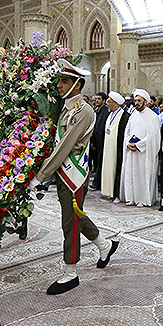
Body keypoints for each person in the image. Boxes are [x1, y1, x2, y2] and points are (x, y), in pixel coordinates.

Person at [27, 58, 119, 295]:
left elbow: (65, 146)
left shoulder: (84, 111)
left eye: (64, 81)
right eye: (59, 80)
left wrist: (40, 176)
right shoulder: (67, 107)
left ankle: (71, 273)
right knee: (73, 216)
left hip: (73, 174)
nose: (59, 85)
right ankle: (104, 245)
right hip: (63, 172)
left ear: (77, 85)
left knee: (70, 221)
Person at [120, 89, 161, 207]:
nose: (136, 103)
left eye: (139, 101)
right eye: (135, 100)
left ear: (146, 102)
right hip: (131, 151)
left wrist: (138, 145)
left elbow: (153, 136)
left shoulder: (153, 117)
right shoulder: (133, 115)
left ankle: (142, 199)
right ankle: (131, 197)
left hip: (144, 153)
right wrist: (128, 143)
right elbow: (127, 132)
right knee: (130, 174)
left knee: (142, 175)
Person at [100, 91, 131, 203]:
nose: (107, 104)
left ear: (116, 103)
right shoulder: (110, 114)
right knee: (108, 168)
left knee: (116, 169)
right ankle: (109, 192)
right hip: (108, 147)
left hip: (117, 148)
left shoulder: (124, 116)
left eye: (109, 102)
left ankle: (117, 193)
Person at [89, 91, 110, 191]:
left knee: (101, 162)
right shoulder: (97, 111)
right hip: (95, 141)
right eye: (96, 99)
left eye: (99, 99)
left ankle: (97, 183)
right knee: (96, 162)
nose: (96, 101)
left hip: (102, 141)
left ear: (104, 101)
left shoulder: (106, 111)